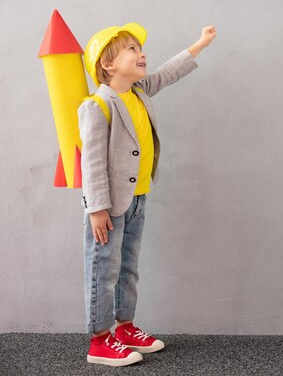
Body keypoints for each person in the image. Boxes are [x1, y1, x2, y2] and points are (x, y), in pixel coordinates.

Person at [78, 21, 216, 366]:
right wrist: (96, 208)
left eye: (140, 49)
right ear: (108, 64)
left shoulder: (139, 91)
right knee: (103, 270)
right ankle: (99, 340)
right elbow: (92, 163)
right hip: (108, 206)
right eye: (131, 49)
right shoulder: (97, 106)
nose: (142, 54)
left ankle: (124, 327)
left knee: (129, 268)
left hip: (137, 198)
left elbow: (168, 72)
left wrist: (198, 45)